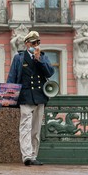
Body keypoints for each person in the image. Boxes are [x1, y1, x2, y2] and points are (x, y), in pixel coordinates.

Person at [6, 30, 55, 166]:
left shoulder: (43, 57)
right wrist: (3, 100)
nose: (36, 45)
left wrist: (39, 60)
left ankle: (33, 155)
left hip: (39, 96)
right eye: (33, 43)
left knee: (36, 129)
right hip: (25, 96)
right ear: (27, 44)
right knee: (25, 127)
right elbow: (12, 77)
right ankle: (27, 156)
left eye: (38, 42)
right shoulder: (19, 58)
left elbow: (50, 73)